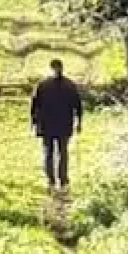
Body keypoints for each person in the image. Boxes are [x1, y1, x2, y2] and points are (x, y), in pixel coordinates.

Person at [30, 58, 83, 190]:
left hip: (50, 123)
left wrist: (34, 122)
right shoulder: (69, 85)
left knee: (54, 152)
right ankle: (58, 179)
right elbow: (35, 105)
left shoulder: (43, 85)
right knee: (57, 152)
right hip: (61, 123)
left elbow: (34, 105)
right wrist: (78, 122)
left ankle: (56, 179)